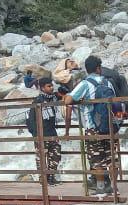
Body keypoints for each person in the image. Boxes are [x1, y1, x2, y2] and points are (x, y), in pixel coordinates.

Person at [64, 55, 120, 194]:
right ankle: (114, 187)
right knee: (111, 157)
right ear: (98, 68)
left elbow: (68, 100)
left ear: (88, 70)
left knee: (97, 158)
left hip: (92, 128)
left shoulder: (85, 83)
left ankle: (101, 188)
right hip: (109, 126)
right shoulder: (108, 83)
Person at [26, 78, 63, 185]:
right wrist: (35, 134)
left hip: (52, 132)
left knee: (55, 155)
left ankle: (51, 177)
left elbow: (64, 95)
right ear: (42, 88)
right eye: (48, 86)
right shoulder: (38, 100)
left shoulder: (53, 98)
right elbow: (31, 119)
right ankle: (43, 179)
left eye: (51, 85)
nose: (51, 88)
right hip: (41, 133)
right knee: (41, 157)